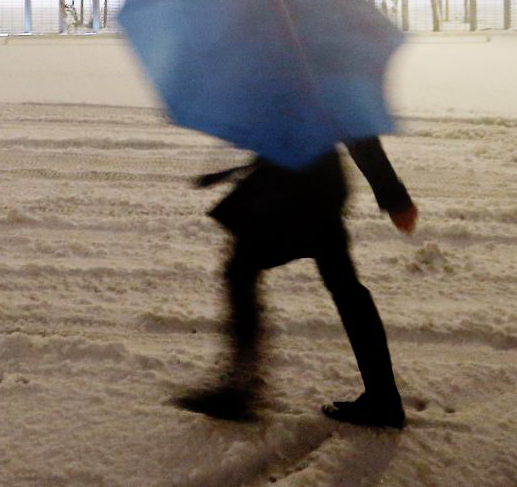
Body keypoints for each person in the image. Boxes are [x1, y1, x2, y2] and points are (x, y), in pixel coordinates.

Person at [176, 137, 418, 428]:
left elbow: (359, 137)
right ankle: (383, 398)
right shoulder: (307, 91)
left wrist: (395, 198)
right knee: (345, 288)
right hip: (318, 192)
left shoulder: (310, 89)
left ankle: (240, 389)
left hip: (291, 199)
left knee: (241, 271)